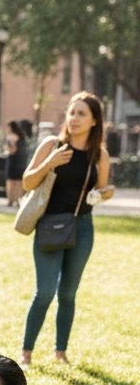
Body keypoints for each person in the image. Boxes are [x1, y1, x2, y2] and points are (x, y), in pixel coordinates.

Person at [20, 92, 114, 366]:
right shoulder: (52, 144)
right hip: (49, 226)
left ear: (95, 120)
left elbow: (98, 192)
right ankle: (26, 352)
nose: (74, 119)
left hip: (82, 227)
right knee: (45, 291)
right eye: (72, 112)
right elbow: (27, 182)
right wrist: (50, 163)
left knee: (69, 293)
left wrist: (107, 193)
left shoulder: (100, 155)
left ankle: (60, 351)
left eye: (81, 114)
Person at [4, 119, 27, 207]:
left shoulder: (12, 137)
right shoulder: (22, 137)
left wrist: (8, 147)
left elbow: (12, 151)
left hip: (13, 160)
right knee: (19, 181)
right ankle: (17, 200)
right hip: (21, 161)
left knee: (11, 181)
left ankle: (10, 200)